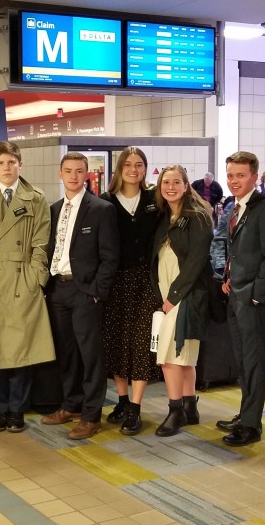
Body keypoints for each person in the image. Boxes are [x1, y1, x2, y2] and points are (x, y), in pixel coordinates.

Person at [0, 141, 55, 433]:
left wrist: (35, 277)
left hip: (22, 280)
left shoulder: (36, 198)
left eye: (12, 162)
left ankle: (17, 411)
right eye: (1, 163)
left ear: (20, 164)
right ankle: (0, 409)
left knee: (22, 350)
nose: (7, 168)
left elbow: (42, 243)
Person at [40, 152, 120, 440]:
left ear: (87, 174)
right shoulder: (53, 209)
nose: (73, 176)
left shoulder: (101, 209)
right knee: (67, 353)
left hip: (85, 292)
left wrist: (97, 291)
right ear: (60, 174)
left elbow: (110, 256)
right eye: (68, 170)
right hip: (57, 289)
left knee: (90, 356)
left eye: (79, 171)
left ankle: (91, 415)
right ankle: (71, 405)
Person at [217, 151, 265, 446]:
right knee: (242, 361)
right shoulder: (234, 206)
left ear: (254, 177)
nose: (234, 181)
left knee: (254, 363)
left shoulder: (264, 208)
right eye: (230, 175)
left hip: (252, 299)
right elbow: (237, 250)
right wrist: (228, 276)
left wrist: (256, 295)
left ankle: (252, 425)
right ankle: (245, 413)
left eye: (240, 175)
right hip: (235, 294)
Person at [100, 147, 161, 436]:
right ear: (119, 168)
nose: (133, 169)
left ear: (145, 169)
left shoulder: (154, 199)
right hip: (115, 281)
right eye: (128, 164)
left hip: (146, 281)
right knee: (117, 340)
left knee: (140, 343)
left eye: (139, 164)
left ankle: (135, 408)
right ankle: (122, 400)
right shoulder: (106, 201)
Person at [151, 165, 214, 437]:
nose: (171, 187)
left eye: (177, 182)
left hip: (186, 294)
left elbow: (196, 262)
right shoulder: (165, 217)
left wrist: (173, 297)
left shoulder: (197, 217)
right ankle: (190, 407)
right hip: (169, 293)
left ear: (186, 186)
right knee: (185, 356)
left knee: (170, 356)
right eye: (166, 182)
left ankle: (175, 410)